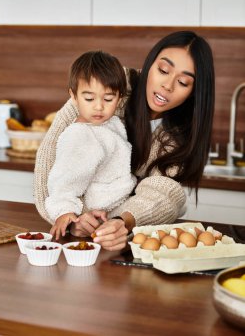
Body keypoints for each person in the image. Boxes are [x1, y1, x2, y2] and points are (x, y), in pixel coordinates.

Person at [34, 30, 215, 251]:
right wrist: (69, 219)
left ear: (194, 92)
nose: (168, 85)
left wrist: (122, 222)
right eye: (163, 70)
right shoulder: (108, 85)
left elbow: (163, 193)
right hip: (77, 240)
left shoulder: (183, 135)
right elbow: (50, 159)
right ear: (150, 65)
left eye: (183, 82)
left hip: (121, 241)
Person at [44, 51, 136, 240]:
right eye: (89, 98)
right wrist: (64, 211)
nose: (99, 107)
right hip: (98, 215)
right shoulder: (79, 135)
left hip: (118, 214)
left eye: (108, 99)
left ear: (119, 98)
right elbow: (63, 181)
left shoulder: (112, 124)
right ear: (74, 96)